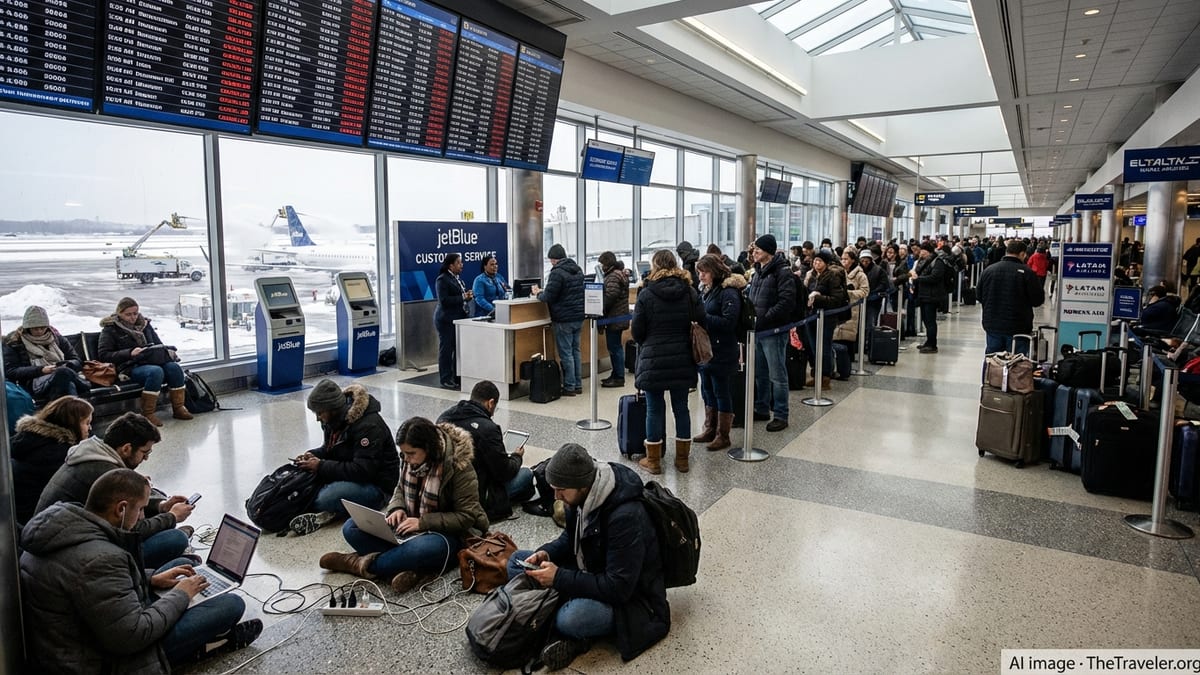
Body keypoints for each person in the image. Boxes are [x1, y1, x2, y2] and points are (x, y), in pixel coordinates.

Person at [21, 468, 262, 671]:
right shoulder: (99, 560)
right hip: (102, 662)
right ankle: (207, 646)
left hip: (83, 636)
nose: (142, 517)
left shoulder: (64, 527)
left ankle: (207, 637)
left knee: (183, 567)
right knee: (231, 604)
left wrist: (151, 579)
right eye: (141, 509)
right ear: (121, 509)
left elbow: (90, 589)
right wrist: (181, 595)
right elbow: (133, 636)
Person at [506, 444, 669, 671]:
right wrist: (545, 552)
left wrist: (558, 578)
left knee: (571, 618)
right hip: (589, 568)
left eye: (561, 490)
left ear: (583, 485)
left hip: (631, 600)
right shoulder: (581, 495)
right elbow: (568, 539)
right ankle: (552, 618)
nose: (556, 496)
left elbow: (619, 588)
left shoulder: (625, 516)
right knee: (516, 561)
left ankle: (572, 636)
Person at [319, 416, 488, 593]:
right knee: (351, 527)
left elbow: (466, 517)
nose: (406, 459)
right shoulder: (410, 459)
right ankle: (405, 567)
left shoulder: (459, 466)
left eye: (411, 453)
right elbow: (400, 488)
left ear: (428, 448)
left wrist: (423, 522)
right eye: (404, 454)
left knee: (418, 550)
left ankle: (357, 563)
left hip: (450, 535)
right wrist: (397, 508)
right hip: (411, 525)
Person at [35, 411, 193, 569]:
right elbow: (130, 530)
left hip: (59, 544)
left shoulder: (90, 454)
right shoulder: (106, 474)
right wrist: (172, 517)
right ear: (126, 449)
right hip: (79, 560)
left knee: (154, 498)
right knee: (176, 539)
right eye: (145, 453)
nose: (146, 458)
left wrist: (161, 506)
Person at [288, 379, 400, 536]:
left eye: (320, 413)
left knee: (324, 498)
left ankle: (331, 511)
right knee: (305, 484)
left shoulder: (368, 426)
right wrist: (314, 455)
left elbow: (362, 470)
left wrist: (320, 466)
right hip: (352, 474)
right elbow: (330, 449)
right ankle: (333, 510)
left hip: (377, 486)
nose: (318, 418)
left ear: (332, 409)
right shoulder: (334, 421)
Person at [631, 249, 704, 474]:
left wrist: (649, 342)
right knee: (681, 408)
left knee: (654, 409)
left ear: (655, 266)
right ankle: (682, 460)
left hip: (653, 359)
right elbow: (701, 321)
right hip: (682, 356)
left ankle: (653, 461)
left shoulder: (646, 293)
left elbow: (637, 331)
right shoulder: (689, 291)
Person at [437, 380, 534, 523]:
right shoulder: (488, 429)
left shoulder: (444, 418)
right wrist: (516, 457)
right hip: (478, 494)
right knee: (526, 474)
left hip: (445, 490)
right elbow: (503, 472)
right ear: (491, 403)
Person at [98, 297, 189, 426]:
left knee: (174, 368)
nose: (133, 317)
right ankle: (148, 413)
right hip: (129, 366)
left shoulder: (145, 325)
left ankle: (179, 407)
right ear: (119, 313)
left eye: (135, 313)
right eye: (128, 314)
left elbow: (158, 344)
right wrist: (129, 352)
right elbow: (104, 355)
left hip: (151, 360)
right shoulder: (110, 329)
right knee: (155, 372)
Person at [10, 395, 93, 526]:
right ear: (72, 423)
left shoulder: (26, 439)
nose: (90, 428)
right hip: (37, 521)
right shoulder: (60, 454)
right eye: (86, 423)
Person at [693, 254, 745, 451]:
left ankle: (723, 435)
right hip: (706, 350)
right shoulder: (708, 291)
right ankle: (710, 428)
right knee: (707, 390)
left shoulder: (728, 292)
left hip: (722, 350)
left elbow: (729, 323)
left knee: (721, 391)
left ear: (714, 271)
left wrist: (703, 318)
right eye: (699, 272)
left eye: (704, 272)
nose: (701, 276)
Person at [747, 234, 796, 432]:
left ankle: (781, 414)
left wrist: (765, 318)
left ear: (768, 251)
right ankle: (761, 407)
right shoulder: (758, 271)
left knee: (777, 374)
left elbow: (786, 302)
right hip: (758, 330)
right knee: (760, 372)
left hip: (773, 330)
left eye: (758, 249)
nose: (754, 252)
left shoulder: (782, 272)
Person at [3, 305, 89, 402]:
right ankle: (83, 385)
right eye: (35, 328)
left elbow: (76, 360)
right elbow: (11, 371)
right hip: (33, 382)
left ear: (47, 327)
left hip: (59, 379)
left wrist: (68, 364)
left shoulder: (57, 339)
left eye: (42, 328)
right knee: (63, 375)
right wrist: (41, 370)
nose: (39, 331)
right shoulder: (15, 343)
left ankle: (65, 416)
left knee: (66, 382)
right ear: (27, 328)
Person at [976, 240, 1044, 355]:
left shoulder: (988, 270)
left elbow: (979, 295)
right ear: (1022, 254)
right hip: (1018, 326)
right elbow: (1037, 300)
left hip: (992, 324)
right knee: (1016, 363)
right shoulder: (1027, 273)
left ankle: (989, 373)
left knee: (992, 360)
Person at [534, 244, 585, 396]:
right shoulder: (577, 269)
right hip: (578, 316)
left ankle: (569, 386)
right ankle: (577, 384)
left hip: (563, 318)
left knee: (566, 353)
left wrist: (538, 293)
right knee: (576, 351)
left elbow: (548, 296)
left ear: (554, 260)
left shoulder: (557, 273)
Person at [804, 250, 849, 388]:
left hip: (827, 316)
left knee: (824, 346)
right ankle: (816, 373)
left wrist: (817, 299)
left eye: (820, 261)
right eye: (815, 260)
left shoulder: (832, 276)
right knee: (812, 346)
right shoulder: (811, 275)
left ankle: (825, 376)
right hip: (811, 315)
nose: (816, 263)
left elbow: (836, 299)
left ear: (826, 263)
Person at [435, 253, 471, 389]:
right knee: (447, 349)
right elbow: (444, 301)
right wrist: (463, 297)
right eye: (459, 263)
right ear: (451, 265)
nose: (462, 265)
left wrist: (467, 296)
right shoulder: (442, 280)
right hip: (446, 319)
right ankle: (445, 378)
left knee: (457, 348)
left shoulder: (456, 278)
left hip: (458, 318)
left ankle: (456, 376)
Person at [598, 251, 630, 388]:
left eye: (602, 264)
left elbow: (611, 296)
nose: (601, 266)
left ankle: (618, 377)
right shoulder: (619, 273)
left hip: (614, 317)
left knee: (614, 347)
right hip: (619, 316)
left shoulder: (612, 277)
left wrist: (600, 308)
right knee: (615, 346)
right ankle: (616, 373)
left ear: (607, 264)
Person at [911, 241, 948, 353]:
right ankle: (928, 341)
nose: (921, 253)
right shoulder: (924, 262)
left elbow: (935, 277)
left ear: (929, 252)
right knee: (926, 320)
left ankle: (933, 344)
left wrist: (919, 279)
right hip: (924, 295)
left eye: (923, 251)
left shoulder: (938, 262)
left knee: (930, 321)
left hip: (932, 296)